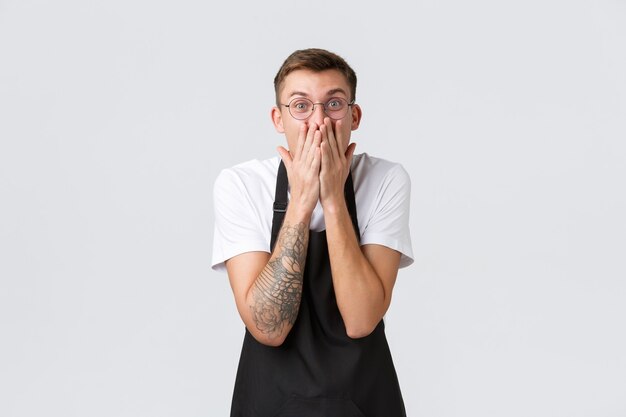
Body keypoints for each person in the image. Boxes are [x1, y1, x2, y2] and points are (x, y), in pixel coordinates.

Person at [212, 48, 414, 417]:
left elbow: (361, 319)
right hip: (269, 404)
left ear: (354, 115)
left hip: (364, 402)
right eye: (301, 106)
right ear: (278, 118)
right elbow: (266, 326)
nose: (318, 121)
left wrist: (334, 200)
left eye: (333, 103)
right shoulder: (240, 184)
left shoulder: (386, 180)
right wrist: (302, 201)